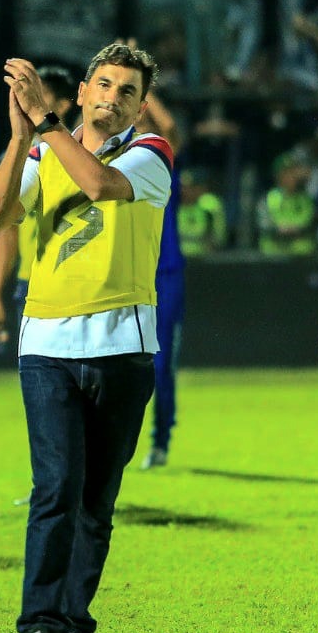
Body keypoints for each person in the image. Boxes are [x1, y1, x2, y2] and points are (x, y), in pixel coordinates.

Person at [0, 43, 172, 633]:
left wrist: (45, 122)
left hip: (123, 347)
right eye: (105, 85)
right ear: (85, 91)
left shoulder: (151, 152)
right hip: (47, 347)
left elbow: (98, 185)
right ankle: (41, 631)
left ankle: (71, 632)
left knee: (95, 502)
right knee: (55, 487)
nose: (113, 98)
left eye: (128, 91)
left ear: (140, 107)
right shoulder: (41, 151)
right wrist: (20, 139)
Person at [0, 65, 76, 346]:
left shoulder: (82, 152)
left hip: (76, 279)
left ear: (63, 105)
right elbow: (6, 230)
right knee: (36, 368)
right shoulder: (15, 156)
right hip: (31, 281)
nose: (28, 102)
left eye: (39, 95)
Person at [136, 88, 186, 470]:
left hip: (164, 272)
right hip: (125, 270)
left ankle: (160, 439)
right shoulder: (114, 157)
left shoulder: (162, 158)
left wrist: (143, 86)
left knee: (160, 362)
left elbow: (170, 129)